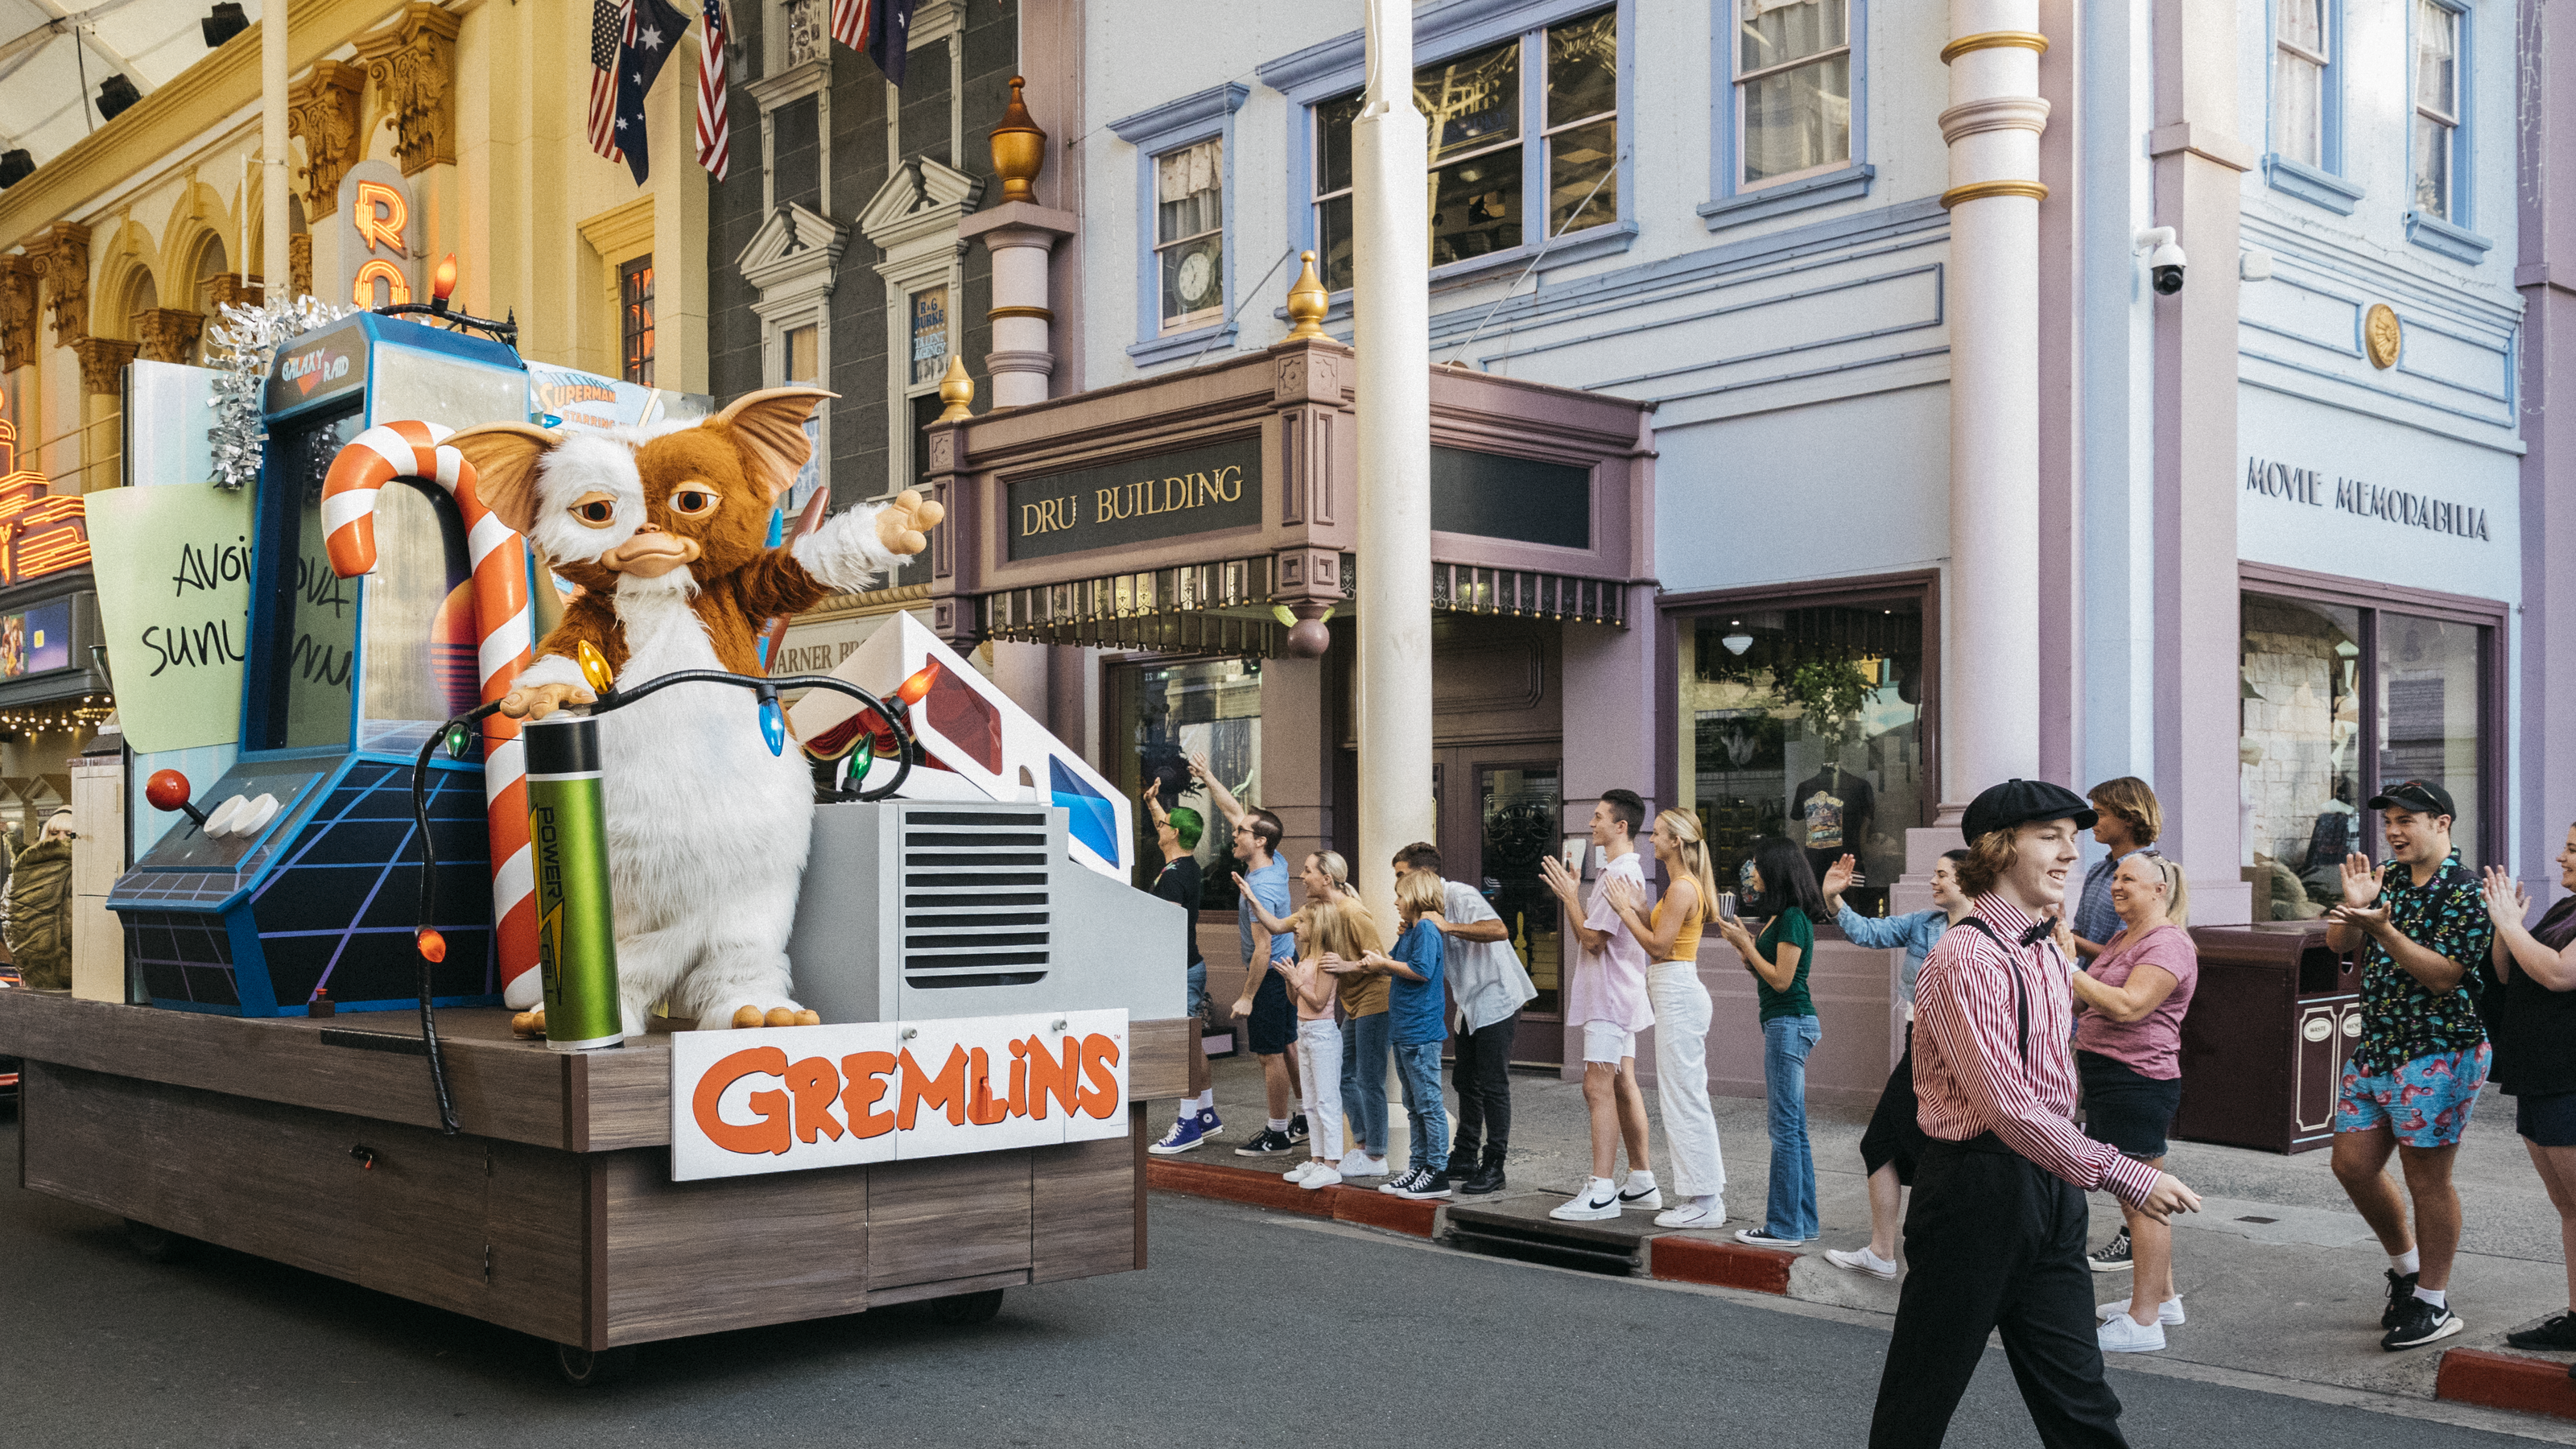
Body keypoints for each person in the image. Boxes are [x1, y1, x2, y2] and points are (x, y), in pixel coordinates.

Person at [1868, 780, 2201, 1449]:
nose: (2069, 855)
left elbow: (2050, 1085)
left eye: (2073, 840)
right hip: (1976, 1192)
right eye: (2050, 837)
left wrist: (2076, 1171)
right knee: (1919, 1401)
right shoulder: (1966, 958)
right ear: (1999, 849)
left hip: (2049, 1187)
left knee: (2081, 1405)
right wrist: (2125, 1174)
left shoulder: (2048, 947)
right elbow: (2007, 1106)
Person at [2323, 778, 2493, 1352]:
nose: (2393, 832)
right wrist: (2358, 908)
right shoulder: (2387, 879)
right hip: (2377, 1048)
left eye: (2407, 821)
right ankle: (2406, 1271)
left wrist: (2384, 928)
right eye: (2389, 822)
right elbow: (2338, 944)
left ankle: (2434, 1302)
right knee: (2351, 1165)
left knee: (2428, 1179)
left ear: (2442, 823)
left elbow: (2444, 976)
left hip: (2440, 1051)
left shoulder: (2467, 892)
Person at [2066, 853, 2198, 1352]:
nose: (2117, 886)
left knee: (2143, 1202)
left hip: (2137, 1080)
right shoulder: (2126, 938)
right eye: (2116, 877)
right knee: (2136, 1197)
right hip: (2110, 1076)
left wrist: (2063, 963)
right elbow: (2085, 1001)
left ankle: (2144, 1323)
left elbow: (2129, 1005)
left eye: (2129, 880)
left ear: (2159, 890)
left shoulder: (2168, 943)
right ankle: (2162, 1299)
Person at [1823, 847, 1971, 1280]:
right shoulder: (1925, 923)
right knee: (1891, 1145)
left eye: (1942, 874)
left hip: (1958, 1051)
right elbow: (1868, 932)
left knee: (1932, 1150)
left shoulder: (1988, 934)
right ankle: (1884, 1251)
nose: (1933, 881)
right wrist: (1835, 899)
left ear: (1966, 880)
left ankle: (1913, 1250)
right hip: (1918, 1043)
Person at [1539, 789, 1659, 1221]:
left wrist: (1570, 896)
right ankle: (1642, 1180)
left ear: (1620, 826)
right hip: (1621, 993)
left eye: (1598, 817)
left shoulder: (1615, 876)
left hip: (1609, 996)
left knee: (1597, 1085)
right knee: (1623, 1082)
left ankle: (1602, 1191)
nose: (1591, 824)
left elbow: (1592, 941)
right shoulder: (1626, 871)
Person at [1605, 809, 1728, 1228]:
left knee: (1684, 1097)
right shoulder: (1680, 888)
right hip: (1673, 989)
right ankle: (1702, 1195)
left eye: (1657, 834)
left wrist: (1625, 912)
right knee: (1683, 1094)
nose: (1651, 839)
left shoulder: (1681, 888)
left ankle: (1706, 1200)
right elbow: (1662, 938)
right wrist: (1640, 909)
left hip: (1677, 990)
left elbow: (1658, 948)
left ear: (1676, 841)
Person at [2481, 826, 2576, 1355]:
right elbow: (2507, 970)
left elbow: (2560, 974)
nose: (2561, 856)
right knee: (2567, 1206)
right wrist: (2504, 928)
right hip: (2536, 1076)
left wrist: (2512, 925)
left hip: (2568, 1078)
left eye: (2573, 850)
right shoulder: (2566, 910)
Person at [1394, 843, 1535, 1196]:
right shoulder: (1425, 911)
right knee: (1464, 1080)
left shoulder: (1460, 894)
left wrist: (1448, 925)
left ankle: (1495, 1164)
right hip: (1468, 1000)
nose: (1396, 885)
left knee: (1492, 1083)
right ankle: (1465, 1155)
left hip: (1497, 994)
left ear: (1421, 874)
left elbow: (1499, 929)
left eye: (1400, 875)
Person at [1187, 752, 1307, 1158]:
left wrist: (1247, 995)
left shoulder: (1263, 888)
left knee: (1269, 1053)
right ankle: (1305, 1117)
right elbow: (1233, 808)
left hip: (1273, 974)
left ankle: (1277, 1133)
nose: (1233, 835)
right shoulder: (1274, 860)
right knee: (1288, 1045)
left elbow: (1263, 947)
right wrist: (1208, 777)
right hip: (1287, 969)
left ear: (1259, 841)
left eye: (1241, 833)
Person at [1715, 835, 1827, 1247]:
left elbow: (1781, 981)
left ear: (1777, 869)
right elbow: (1767, 974)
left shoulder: (1794, 917)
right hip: (1787, 1022)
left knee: (1784, 1130)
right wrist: (1742, 947)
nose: (1751, 871)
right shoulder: (1780, 917)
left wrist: (1747, 944)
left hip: (1790, 1023)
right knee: (1794, 1129)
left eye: (1757, 865)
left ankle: (1782, 1226)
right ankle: (1804, 1222)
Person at [1333, 869, 1453, 1199]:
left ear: (1415, 897)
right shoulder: (1413, 930)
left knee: (1428, 1103)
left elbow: (1420, 971)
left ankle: (1437, 1171)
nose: (1396, 901)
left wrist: (1382, 965)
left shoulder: (1427, 929)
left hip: (1420, 1030)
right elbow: (1399, 961)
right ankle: (1418, 1167)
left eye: (1400, 895)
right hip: (1405, 1029)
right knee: (1413, 1104)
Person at [1145, 791, 1222, 1154]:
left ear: (1173, 834)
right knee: (1194, 1042)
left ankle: (1188, 1125)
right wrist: (1152, 802)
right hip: (1190, 966)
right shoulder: (1186, 867)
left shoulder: (1174, 878)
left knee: (1185, 1047)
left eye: (1162, 824)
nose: (1157, 827)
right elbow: (1168, 822)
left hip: (1179, 970)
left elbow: (1166, 931)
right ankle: (1206, 1114)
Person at [1284, 898, 1377, 1191]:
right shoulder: (1305, 958)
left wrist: (1296, 981)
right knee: (1310, 1101)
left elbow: (1319, 1001)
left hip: (1323, 1033)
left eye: (1301, 922)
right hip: (1304, 1030)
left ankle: (1332, 1163)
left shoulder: (1326, 960)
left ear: (1317, 927)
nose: (1296, 927)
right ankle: (1317, 1157)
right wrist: (1291, 979)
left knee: (1327, 1100)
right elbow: (1295, 1001)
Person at [2070, 776, 2161, 961]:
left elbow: (2124, 953)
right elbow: (2081, 932)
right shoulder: (2097, 870)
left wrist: (2066, 938)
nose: (2093, 822)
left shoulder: (2152, 873)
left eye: (2100, 813)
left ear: (2129, 818)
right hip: (2088, 981)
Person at [6, 810, 75, 989]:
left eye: (69, 834)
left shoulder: (85, 874)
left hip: (75, 972)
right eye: (54, 833)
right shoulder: (22, 872)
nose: (61, 838)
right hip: (34, 973)